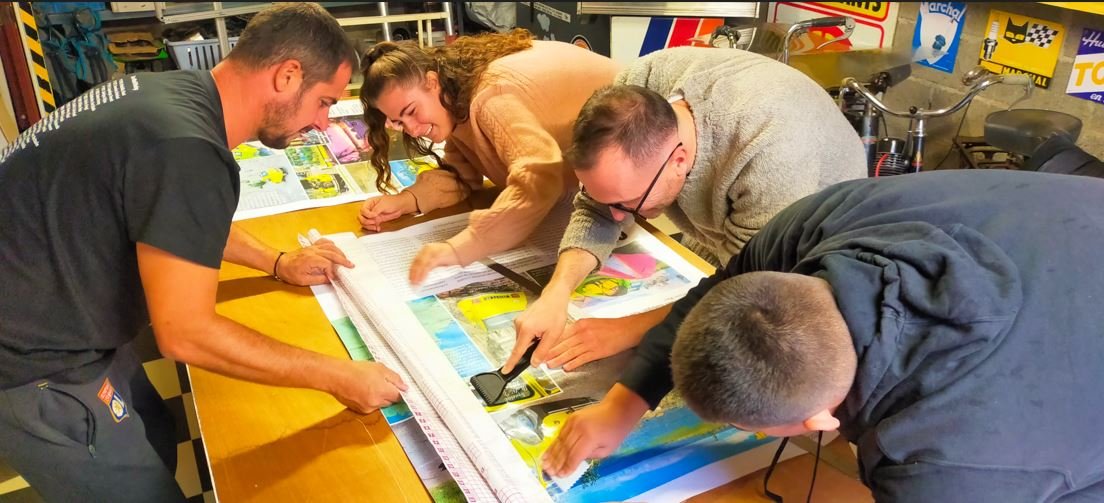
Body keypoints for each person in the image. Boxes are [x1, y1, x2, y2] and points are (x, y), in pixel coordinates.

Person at [0, 4, 407, 501]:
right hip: (33, 358)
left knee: (157, 432)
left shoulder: (174, 96)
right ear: (287, 75)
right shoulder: (185, 146)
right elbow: (186, 333)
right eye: (323, 102)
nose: (324, 122)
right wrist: (340, 376)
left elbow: (176, 217)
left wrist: (277, 262)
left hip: (61, 303)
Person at [544, 170, 1104, 501]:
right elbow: (714, 294)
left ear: (820, 423)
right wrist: (622, 405)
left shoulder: (947, 466)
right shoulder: (815, 224)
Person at [505, 46, 867, 374]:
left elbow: (746, 285)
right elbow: (598, 208)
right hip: (733, 216)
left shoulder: (769, 155)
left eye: (628, 203)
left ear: (678, 159)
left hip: (820, 241)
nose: (617, 216)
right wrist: (557, 292)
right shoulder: (636, 90)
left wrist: (628, 330)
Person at [355, 29, 620, 284]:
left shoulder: (490, 99)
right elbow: (462, 173)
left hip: (631, 149)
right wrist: (408, 201)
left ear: (432, 82)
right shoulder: (457, 98)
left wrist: (464, 246)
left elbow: (539, 176)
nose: (412, 130)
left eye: (412, 112)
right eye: (399, 122)